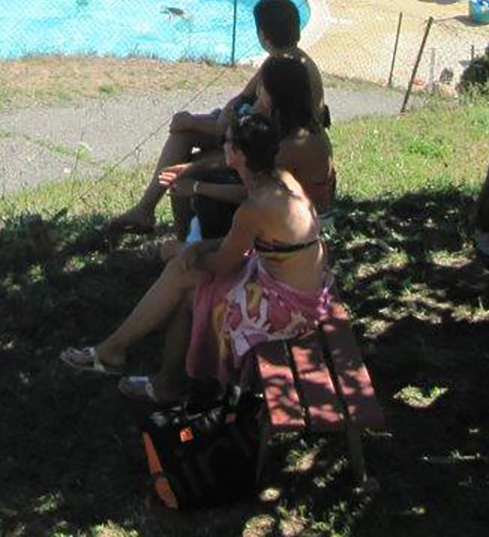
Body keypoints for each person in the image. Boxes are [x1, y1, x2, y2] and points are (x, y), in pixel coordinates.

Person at [61, 112, 331, 402]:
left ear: (236, 153)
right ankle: (118, 351)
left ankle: (159, 379)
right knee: (184, 271)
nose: (221, 146)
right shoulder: (280, 179)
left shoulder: (254, 208)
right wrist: (195, 249)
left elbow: (222, 264)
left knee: (191, 291)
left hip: (290, 309)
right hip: (298, 286)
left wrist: (182, 251)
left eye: (225, 142)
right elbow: (241, 245)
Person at [109, 0, 326, 234]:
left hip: (262, 151)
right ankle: (146, 212)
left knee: (184, 152)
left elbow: (249, 133)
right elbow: (244, 97)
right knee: (183, 135)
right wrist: (227, 111)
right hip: (256, 142)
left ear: (262, 35)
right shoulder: (285, 60)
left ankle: (181, 243)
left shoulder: (285, 74)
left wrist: (199, 125)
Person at [171, 53, 337, 239]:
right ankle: (186, 243)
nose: (258, 92)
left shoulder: (295, 143)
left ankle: (198, 252)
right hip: (287, 206)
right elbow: (248, 160)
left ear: (276, 95)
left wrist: (196, 187)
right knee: (191, 175)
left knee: (208, 199)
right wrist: (193, 167)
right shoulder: (290, 122)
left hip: (307, 226)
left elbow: (254, 193)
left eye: (262, 87)